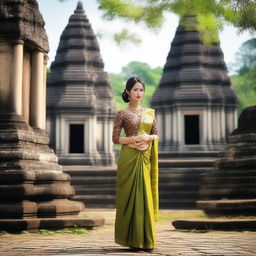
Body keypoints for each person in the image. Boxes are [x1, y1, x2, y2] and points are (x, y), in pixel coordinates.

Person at [112, 77, 159, 252]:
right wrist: (134, 140)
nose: (139, 93)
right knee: (129, 197)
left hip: (144, 156)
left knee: (144, 196)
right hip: (129, 157)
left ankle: (145, 240)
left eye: (141, 90)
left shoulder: (150, 113)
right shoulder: (122, 114)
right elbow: (115, 139)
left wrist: (148, 139)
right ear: (128, 92)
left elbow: (156, 134)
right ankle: (131, 239)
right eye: (135, 90)